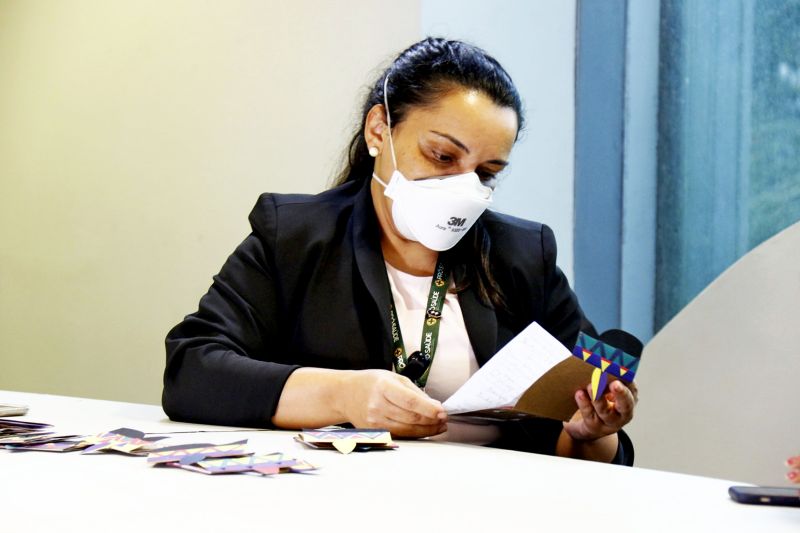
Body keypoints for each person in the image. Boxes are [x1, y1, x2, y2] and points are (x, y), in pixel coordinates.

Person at [163, 37, 637, 465]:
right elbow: (191, 370)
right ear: (378, 132)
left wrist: (591, 432)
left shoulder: (523, 254)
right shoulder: (294, 236)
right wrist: (342, 396)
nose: (463, 188)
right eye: (442, 156)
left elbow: (585, 432)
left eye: (486, 173)